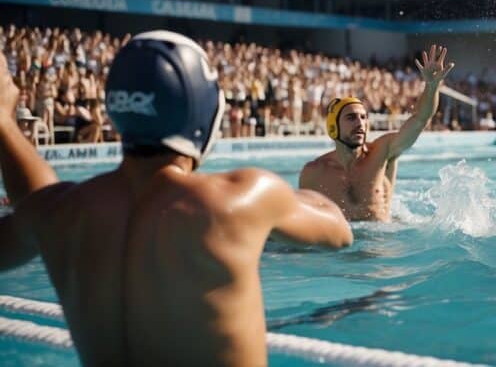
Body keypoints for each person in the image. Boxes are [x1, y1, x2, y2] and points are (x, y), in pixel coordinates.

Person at [0, 31, 352, 366]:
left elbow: (36, 199)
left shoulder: (59, 214)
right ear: (204, 109)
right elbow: (338, 231)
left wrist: (4, 122)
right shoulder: (239, 197)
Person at [299, 44, 454, 221]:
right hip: (340, 245)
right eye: (351, 118)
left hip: (381, 244)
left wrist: (432, 86)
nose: (360, 123)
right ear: (333, 127)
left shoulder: (383, 153)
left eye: (364, 117)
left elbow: (420, 119)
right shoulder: (314, 172)